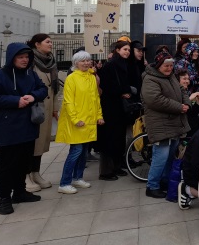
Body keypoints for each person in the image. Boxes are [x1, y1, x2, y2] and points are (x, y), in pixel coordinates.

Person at [0, 43, 48, 215]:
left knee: (24, 161)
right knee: (7, 164)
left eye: (27, 57)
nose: (25, 60)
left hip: (28, 125)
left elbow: (43, 89)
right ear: (11, 58)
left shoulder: (30, 74)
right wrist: (15, 101)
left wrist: (33, 95)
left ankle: (20, 191)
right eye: (21, 57)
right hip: (8, 127)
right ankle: (4, 197)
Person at [141, 51, 191, 198]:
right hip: (160, 123)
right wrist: (179, 107)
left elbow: (182, 90)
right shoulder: (150, 79)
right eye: (166, 66)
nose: (169, 68)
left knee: (170, 156)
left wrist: (186, 102)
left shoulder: (170, 77)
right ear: (158, 66)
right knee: (160, 156)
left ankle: (164, 181)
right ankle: (152, 186)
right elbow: (155, 100)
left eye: (171, 65)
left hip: (174, 122)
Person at [56, 51, 104, 194]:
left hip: (89, 121)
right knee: (75, 152)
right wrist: (75, 119)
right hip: (77, 121)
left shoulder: (91, 77)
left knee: (83, 152)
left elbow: (96, 99)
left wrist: (99, 116)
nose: (86, 63)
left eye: (88, 60)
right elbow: (68, 101)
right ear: (75, 63)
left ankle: (78, 177)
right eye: (82, 61)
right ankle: (64, 183)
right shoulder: (72, 78)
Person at [25, 33, 61, 192]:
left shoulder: (51, 62)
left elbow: (54, 88)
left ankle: (35, 172)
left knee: (41, 143)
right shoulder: (30, 62)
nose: (51, 44)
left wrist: (55, 108)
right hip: (34, 108)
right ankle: (25, 175)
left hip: (47, 107)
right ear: (37, 44)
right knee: (31, 142)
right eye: (47, 42)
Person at [97, 40, 132, 180]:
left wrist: (127, 91)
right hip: (110, 107)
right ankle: (106, 171)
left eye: (128, 50)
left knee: (119, 138)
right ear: (117, 50)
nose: (127, 52)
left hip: (119, 108)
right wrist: (121, 93)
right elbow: (106, 85)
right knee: (109, 139)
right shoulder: (110, 65)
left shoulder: (123, 64)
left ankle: (116, 167)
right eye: (124, 49)